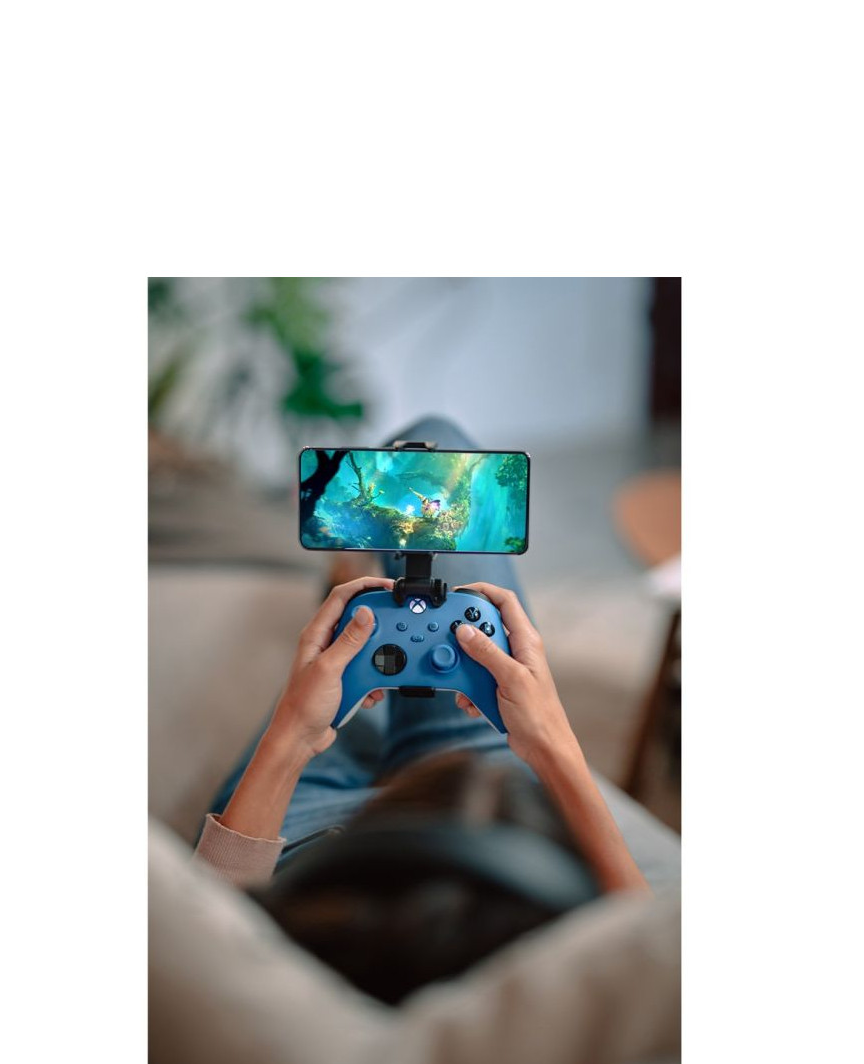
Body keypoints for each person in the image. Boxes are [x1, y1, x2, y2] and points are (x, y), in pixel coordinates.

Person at [195, 418, 671, 1005]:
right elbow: (647, 939)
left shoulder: (270, 990)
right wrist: (549, 738)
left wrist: (293, 731)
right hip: (483, 833)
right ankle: (364, 586)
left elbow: (208, 922)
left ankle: (357, 580)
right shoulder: (559, 1003)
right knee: (439, 444)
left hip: (314, 854)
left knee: (353, 668)